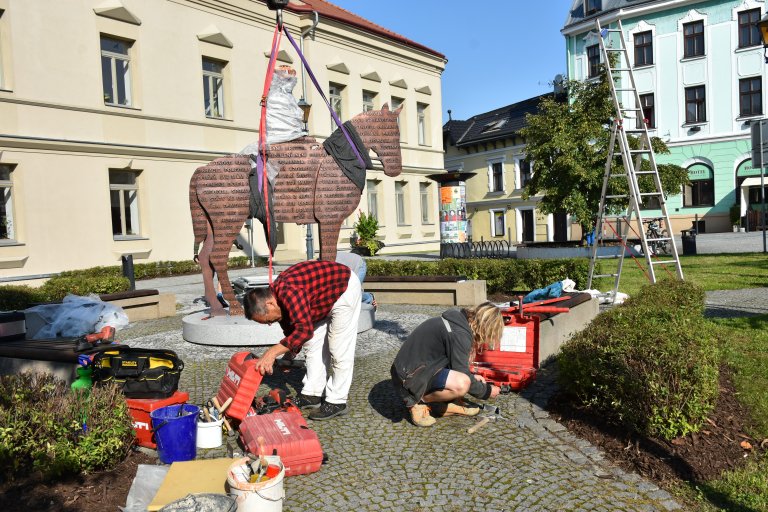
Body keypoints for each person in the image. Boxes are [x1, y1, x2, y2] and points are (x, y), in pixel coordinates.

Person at [243, 260, 362, 421]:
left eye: (266, 320)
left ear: (269, 303)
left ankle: (337, 401)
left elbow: (304, 331)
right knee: (312, 344)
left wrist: (271, 353)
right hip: (321, 299)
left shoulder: (289, 292)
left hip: (343, 288)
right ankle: (312, 395)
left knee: (339, 348)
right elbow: (294, 333)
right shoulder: (279, 305)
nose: (270, 324)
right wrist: (288, 356)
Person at [390, 302, 503, 427]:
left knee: (468, 379)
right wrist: (487, 391)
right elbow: (461, 373)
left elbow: (454, 362)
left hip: (412, 369)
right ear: (485, 327)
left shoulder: (458, 322)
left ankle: (440, 404)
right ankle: (417, 401)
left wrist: (473, 377)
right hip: (407, 377)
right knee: (463, 383)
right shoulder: (460, 333)